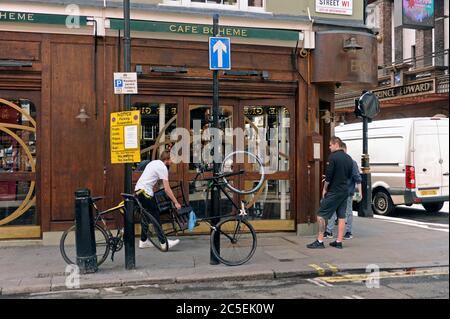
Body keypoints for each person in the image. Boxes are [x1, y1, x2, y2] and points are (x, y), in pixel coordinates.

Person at [307, 136, 353, 249]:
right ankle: (338, 241)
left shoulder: (333, 157)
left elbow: (328, 176)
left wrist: (324, 189)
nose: (329, 147)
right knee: (342, 216)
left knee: (321, 214)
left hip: (334, 191)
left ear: (336, 144)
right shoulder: (349, 158)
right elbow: (349, 175)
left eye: (330, 145)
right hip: (344, 191)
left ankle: (320, 240)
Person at [135, 150, 182, 250]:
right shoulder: (162, 168)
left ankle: (143, 241)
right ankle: (164, 242)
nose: (173, 162)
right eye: (172, 159)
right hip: (145, 192)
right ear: (167, 159)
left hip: (139, 190)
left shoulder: (154, 163)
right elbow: (167, 189)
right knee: (155, 215)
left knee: (146, 217)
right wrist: (176, 202)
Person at [324, 142, 362, 240]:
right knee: (341, 212)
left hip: (346, 192)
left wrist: (360, 192)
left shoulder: (350, 162)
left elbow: (357, 178)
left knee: (345, 212)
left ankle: (346, 231)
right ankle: (332, 231)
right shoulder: (348, 161)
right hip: (343, 191)